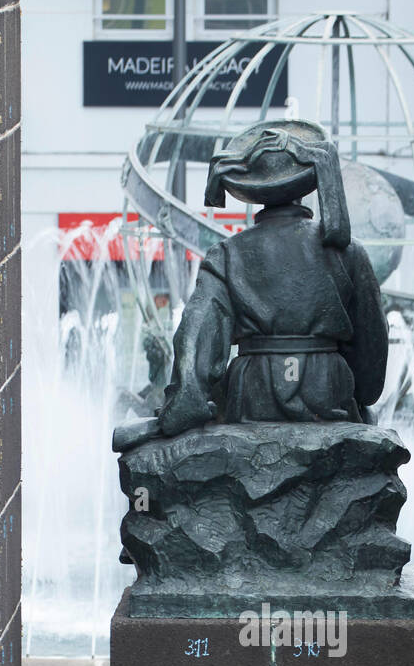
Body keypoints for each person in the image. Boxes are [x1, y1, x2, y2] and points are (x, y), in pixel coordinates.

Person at [119, 121, 388, 445]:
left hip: (253, 393)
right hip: (327, 391)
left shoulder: (227, 253)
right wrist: (361, 392)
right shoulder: (349, 252)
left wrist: (187, 396)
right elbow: (373, 345)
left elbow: (197, 332)